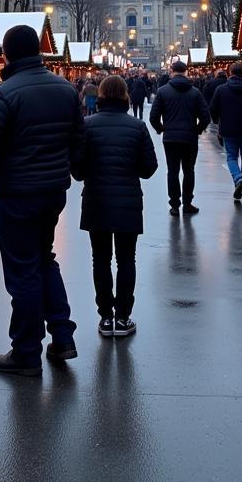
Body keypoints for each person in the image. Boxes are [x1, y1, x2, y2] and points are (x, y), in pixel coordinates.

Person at [0, 24, 85, 376]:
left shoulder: (3, 94)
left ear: (6, 54)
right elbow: (78, 141)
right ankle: (63, 335)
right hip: (53, 191)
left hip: (16, 193)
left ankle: (25, 351)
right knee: (44, 259)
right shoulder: (65, 89)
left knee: (22, 271)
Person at [72, 74, 157, 338]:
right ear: (125, 96)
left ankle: (105, 317)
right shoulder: (137, 126)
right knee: (126, 259)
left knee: (100, 260)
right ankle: (123, 317)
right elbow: (149, 168)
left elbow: (76, 168)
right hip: (128, 201)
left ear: (100, 96)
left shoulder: (87, 125)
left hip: (96, 199)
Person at [150, 59, 210, 216]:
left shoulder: (163, 91)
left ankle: (174, 204)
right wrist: (197, 129)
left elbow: (154, 116)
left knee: (173, 171)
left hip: (170, 138)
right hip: (189, 137)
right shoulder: (195, 92)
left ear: (171, 72)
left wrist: (161, 129)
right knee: (189, 171)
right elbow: (205, 116)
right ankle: (188, 202)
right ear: (186, 72)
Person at [210, 62, 242, 202]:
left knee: (231, 157)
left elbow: (213, 108)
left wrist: (217, 121)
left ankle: (238, 178)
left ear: (230, 73)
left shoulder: (221, 89)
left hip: (228, 128)